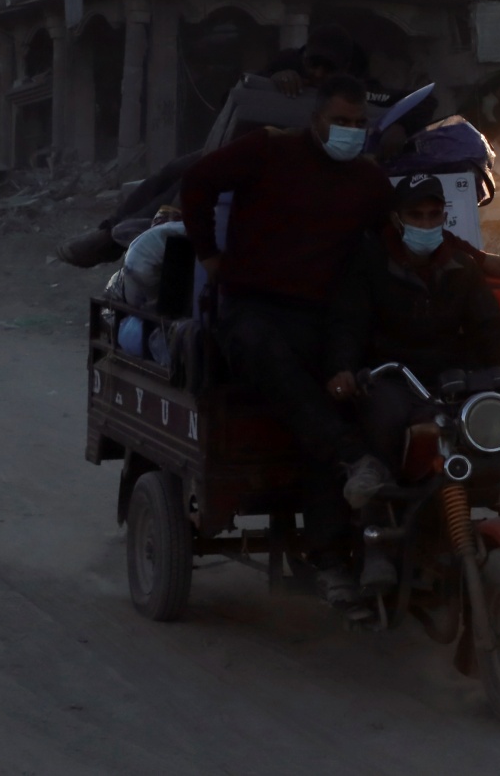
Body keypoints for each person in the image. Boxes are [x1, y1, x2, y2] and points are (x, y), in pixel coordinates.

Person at [178, 74, 398, 608]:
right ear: (315, 120)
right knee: (265, 353)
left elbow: (397, 235)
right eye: (339, 122)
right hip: (252, 310)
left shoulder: (369, 182)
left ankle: (329, 555)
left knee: (343, 397)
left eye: (358, 124)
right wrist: (209, 253)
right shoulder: (268, 150)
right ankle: (352, 463)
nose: (349, 132)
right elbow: (197, 184)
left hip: (322, 319)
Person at [327, 175, 500, 591]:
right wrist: (344, 368)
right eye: (415, 215)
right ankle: (376, 545)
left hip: (448, 374)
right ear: (397, 219)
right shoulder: (369, 263)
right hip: (388, 373)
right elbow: (346, 325)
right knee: (388, 420)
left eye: (433, 214)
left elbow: (489, 326)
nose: (425, 222)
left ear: (444, 215)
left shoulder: (460, 265)